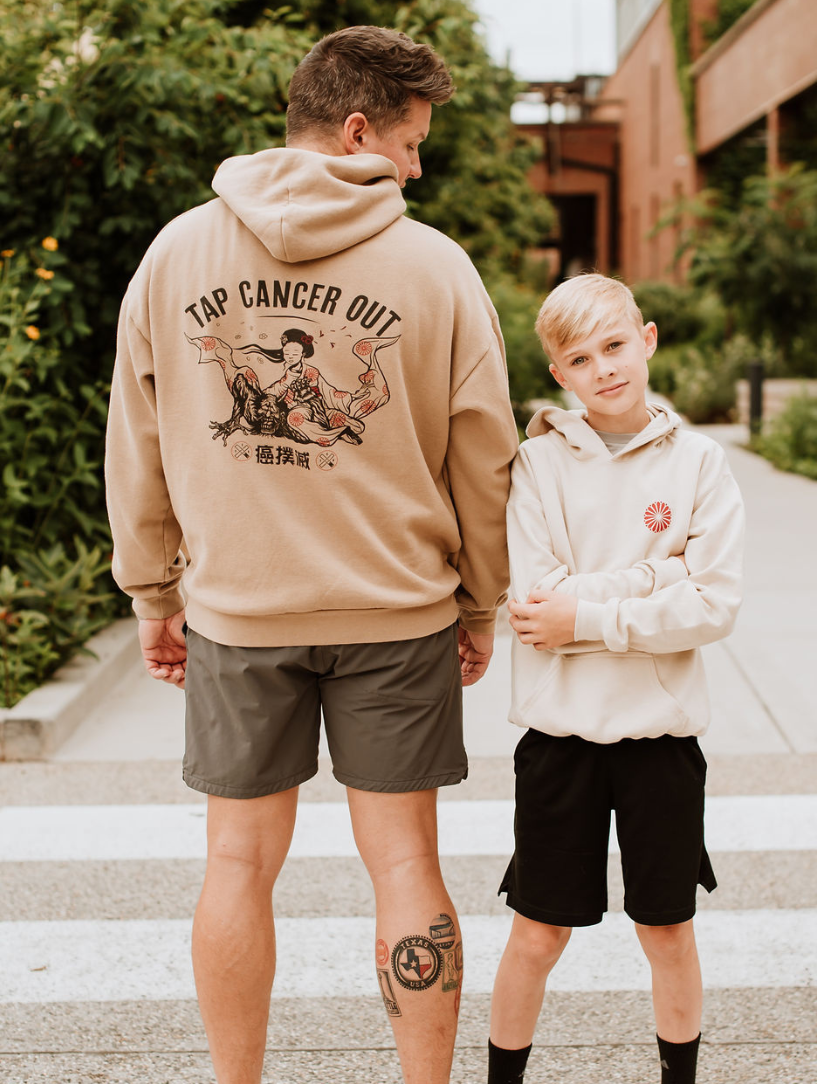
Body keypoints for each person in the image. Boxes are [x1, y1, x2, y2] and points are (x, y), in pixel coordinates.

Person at [105, 24, 519, 1084]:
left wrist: (152, 592)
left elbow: (136, 443)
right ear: (357, 130)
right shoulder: (435, 268)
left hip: (240, 617)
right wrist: (480, 601)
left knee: (236, 863)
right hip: (397, 615)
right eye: (413, 143)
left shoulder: (177, 254)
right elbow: (485, 457)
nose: (417, 169)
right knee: (406, 862)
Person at [487, 273, 744, 1084]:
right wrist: (660, 575)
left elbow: (714, 604)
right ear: (558, 372)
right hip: (560, 738)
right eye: (579, 358)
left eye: (615, 345)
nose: (603, 368)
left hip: (660, 740)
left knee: (667, 932)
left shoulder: (701, 463)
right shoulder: (536, 464)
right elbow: (537, 601)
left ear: (647, 340)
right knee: (537, 934)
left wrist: (590, 616)